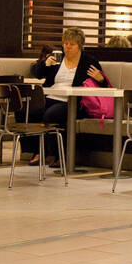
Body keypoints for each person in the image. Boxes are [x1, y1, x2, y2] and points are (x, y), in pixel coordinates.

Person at [37, 27, 110, 167]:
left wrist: (100, 79)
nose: (67, 47)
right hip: (51, 96)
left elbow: (103, 87)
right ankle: (37, 151)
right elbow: (38, 74)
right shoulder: (56, 58)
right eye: (65, 43)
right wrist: (45, 64)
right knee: (30, 111)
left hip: (73, 101)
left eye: (72, 44)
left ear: (79, 46)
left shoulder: (89, 61)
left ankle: (57, 154)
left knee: (51, 115)